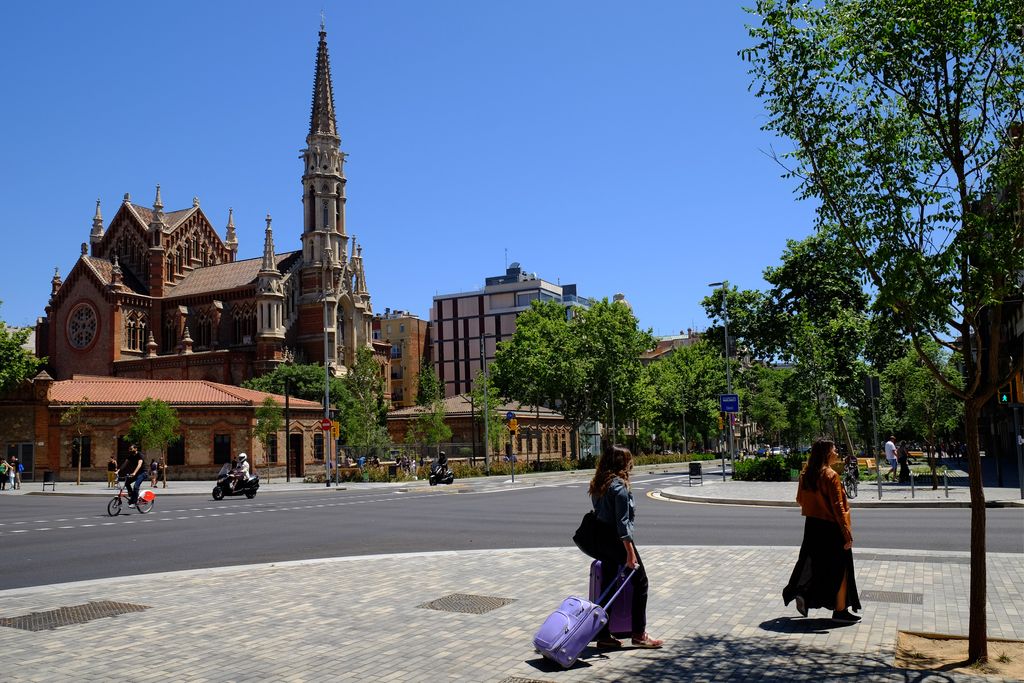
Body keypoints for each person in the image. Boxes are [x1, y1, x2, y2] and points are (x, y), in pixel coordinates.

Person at [587, 444, 663, 649]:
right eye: (629, 459)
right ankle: (639, 634)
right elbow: (623, 524)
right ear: (622, 463)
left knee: (608, 587)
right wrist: (630, 553)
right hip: (618, 542)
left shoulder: (598, 484)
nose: (632, 463)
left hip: (603, 541)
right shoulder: (619, 487)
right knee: (641, 583)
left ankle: (603, 635)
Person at [783, 438, 862, 623]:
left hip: (812, 525)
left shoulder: (806, 474)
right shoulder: (830, 475)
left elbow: (800, 500)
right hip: (831, 527)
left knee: (814, 563)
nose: (837, 453)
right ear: (827, 453)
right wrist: (847, 534)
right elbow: (838, 508)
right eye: (835, 449)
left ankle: (802, 593)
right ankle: (840, 610)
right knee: (842, 569)